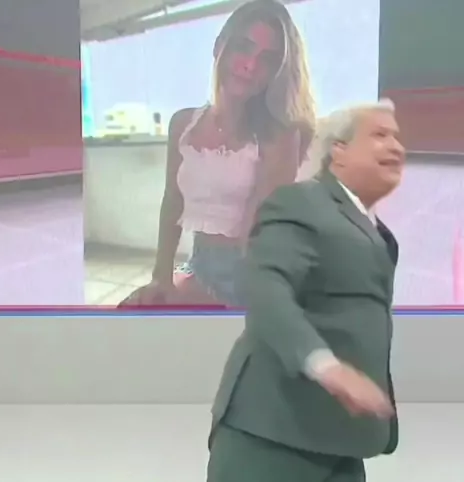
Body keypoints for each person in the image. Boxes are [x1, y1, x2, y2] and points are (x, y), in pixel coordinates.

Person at [207, 99, 405, 482]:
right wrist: (326, 367)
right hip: (271, 439)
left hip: (341, 443)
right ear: (338, 150)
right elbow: (266, 288)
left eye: (397, 137)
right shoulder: (300, 201)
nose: (396, 147)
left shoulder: (377, 232)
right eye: (380, 135)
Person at [122, 0, 315, 307]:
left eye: (266, 59)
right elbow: (173, 201)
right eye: (243, 47)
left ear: (276, 72)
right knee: (131, 310)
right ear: (219, 46)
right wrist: (161, 277)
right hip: (198, 263)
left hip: (252, 272)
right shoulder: (182, 124)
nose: (250, 65)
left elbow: (256, 238)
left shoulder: (279, 135)